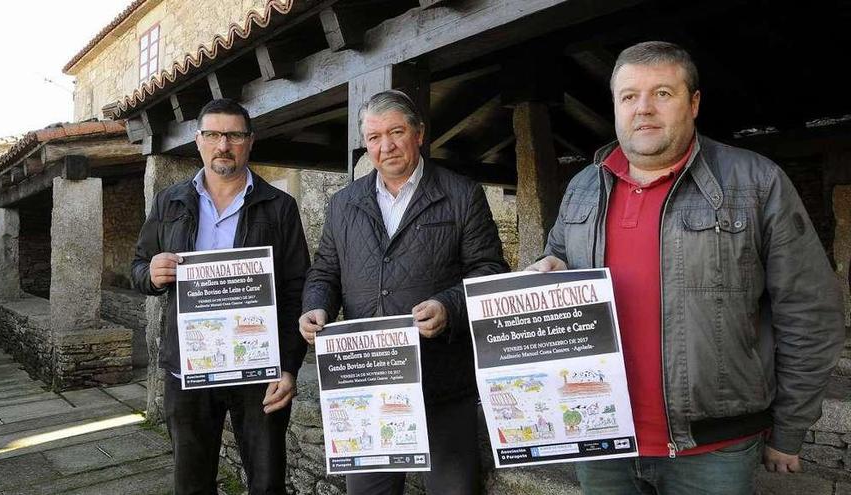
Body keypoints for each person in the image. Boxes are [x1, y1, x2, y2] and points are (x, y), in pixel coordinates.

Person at [528, 41, 844, 494]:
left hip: (712, 449)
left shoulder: (755, 181)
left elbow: (809, 312)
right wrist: (547, 265)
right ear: (615, 106)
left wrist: (790, 428)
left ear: (693, 103)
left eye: (662, 94)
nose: (644, 110)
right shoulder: (583, 186)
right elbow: (555, 252)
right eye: (629, 96)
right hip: (602, 439)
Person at [299, 89, 509, 494]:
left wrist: (448, 306)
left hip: (442, 382)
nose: (387, 145)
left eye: (396, 132)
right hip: (370, 382)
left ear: (419, 134)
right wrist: (316, 307)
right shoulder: (344, 203)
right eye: (375, 137)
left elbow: (489, 271)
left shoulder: (461, 194)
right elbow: (325, 271)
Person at [131, 98, 309, 494]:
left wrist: (290, 365)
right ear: (199, 141)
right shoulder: (170, 202)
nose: (222, 145)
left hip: (259, 369)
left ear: (249, 141)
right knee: (191, 483)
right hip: (188, 369)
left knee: (266, 483)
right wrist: (153, 275)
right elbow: (139, 267)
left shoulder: (280, 207)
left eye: (233, 135)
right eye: (212, 134)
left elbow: (298, 289)